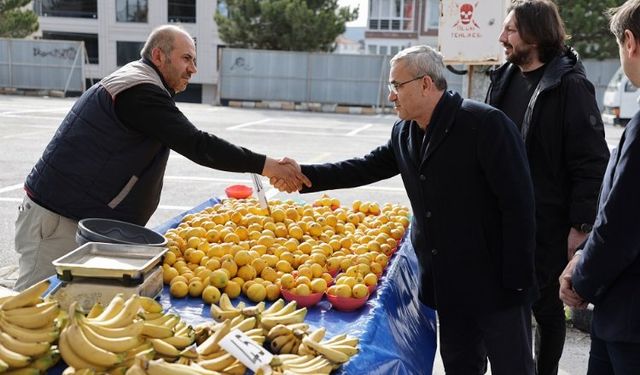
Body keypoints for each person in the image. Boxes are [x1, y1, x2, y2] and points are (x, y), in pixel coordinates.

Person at [274, 45, 537, 374]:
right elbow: (362, 168)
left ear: (426, 84)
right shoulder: (405, 132)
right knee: (460, 367)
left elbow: (519, 205)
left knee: (514, 369)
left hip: (497, 287)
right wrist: (302, 175)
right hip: (448, 286)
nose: (391, 96)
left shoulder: (484, 125)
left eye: (396, 86)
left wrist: (517, 283)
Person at [13, 25, 310, 291]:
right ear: (159, 55)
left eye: (193, 60)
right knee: (31, 314)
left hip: (76, 221)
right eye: (186, 58)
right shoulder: (139, 90)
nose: (193, 68)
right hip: (57, 224)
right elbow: (197, 144)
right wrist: (269, 165)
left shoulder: (143, 84)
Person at [485, 1, 610, 374]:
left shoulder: (570, 86)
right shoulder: (502, 79)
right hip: (505, 221)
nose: (501, 37)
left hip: (550, 224)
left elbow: (590, 162)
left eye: (510, 30)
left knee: (548, 309)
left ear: (535, 35)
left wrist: (581, 225)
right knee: (510, 305)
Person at [560, 1, 640, 373]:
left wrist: (581, 279)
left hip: (630, 318)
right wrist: (582, 258)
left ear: (630, 42)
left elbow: (621, 223)